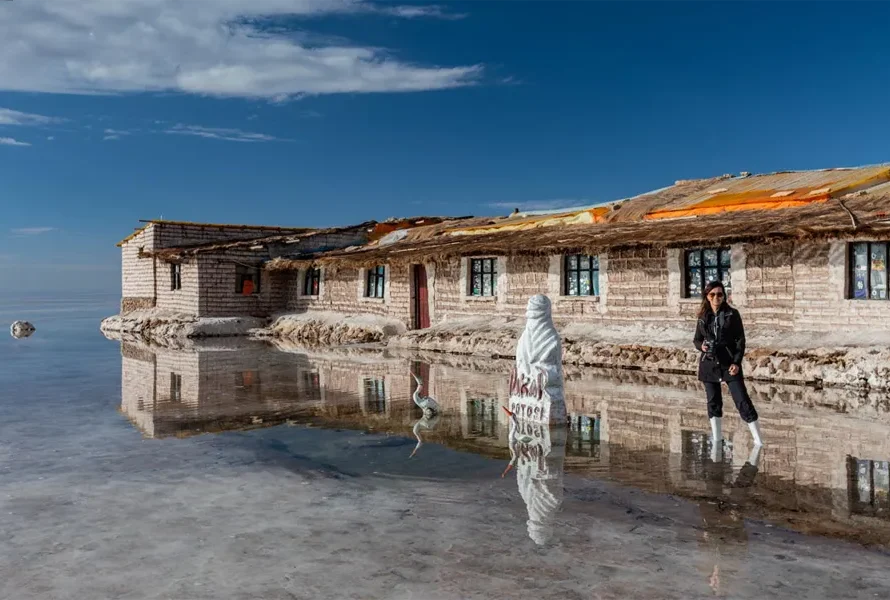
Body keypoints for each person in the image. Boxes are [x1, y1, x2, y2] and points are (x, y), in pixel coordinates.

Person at [693, 281, 763, 447]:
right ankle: (717, 439)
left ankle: (758, 441)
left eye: (720, 294)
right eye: (713, 295)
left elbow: (740, 341)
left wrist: (736, 362)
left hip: (729, 364)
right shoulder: (703, 316)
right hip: (709, 364)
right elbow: (696, 339)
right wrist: (701, 347)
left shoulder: (733, 314)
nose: (717, 297)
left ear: (724, 296)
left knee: (742, 400)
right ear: (707, 297)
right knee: (713, 402)